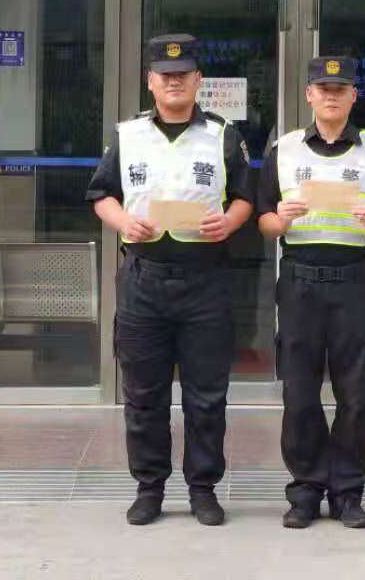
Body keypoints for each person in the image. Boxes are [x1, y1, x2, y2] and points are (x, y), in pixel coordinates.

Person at [87, 34, 254, 527]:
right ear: (151, 82)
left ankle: (203, 488)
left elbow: (246, 196)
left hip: (206, 281)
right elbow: (101, 195)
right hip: (144, 281)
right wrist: (123, 221)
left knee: (207, 396)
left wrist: (229, 222)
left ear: (199, 80)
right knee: (144, 395)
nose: (174, 82)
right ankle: (149, 488)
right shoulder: (128, 135)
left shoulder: (223, 135)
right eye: (165, 75)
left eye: (183, 75)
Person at [257, 56, 365, 530]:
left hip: (353, 280)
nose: (332, 96)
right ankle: (305, 489)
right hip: (300, 280)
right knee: (299, 392)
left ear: (354, 95)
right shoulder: (284, 149)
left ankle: (348, 492)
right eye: (323, 88)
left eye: (340, 89)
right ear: (309, 95)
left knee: (354, 394)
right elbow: (263, 218)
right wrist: (280, 220)